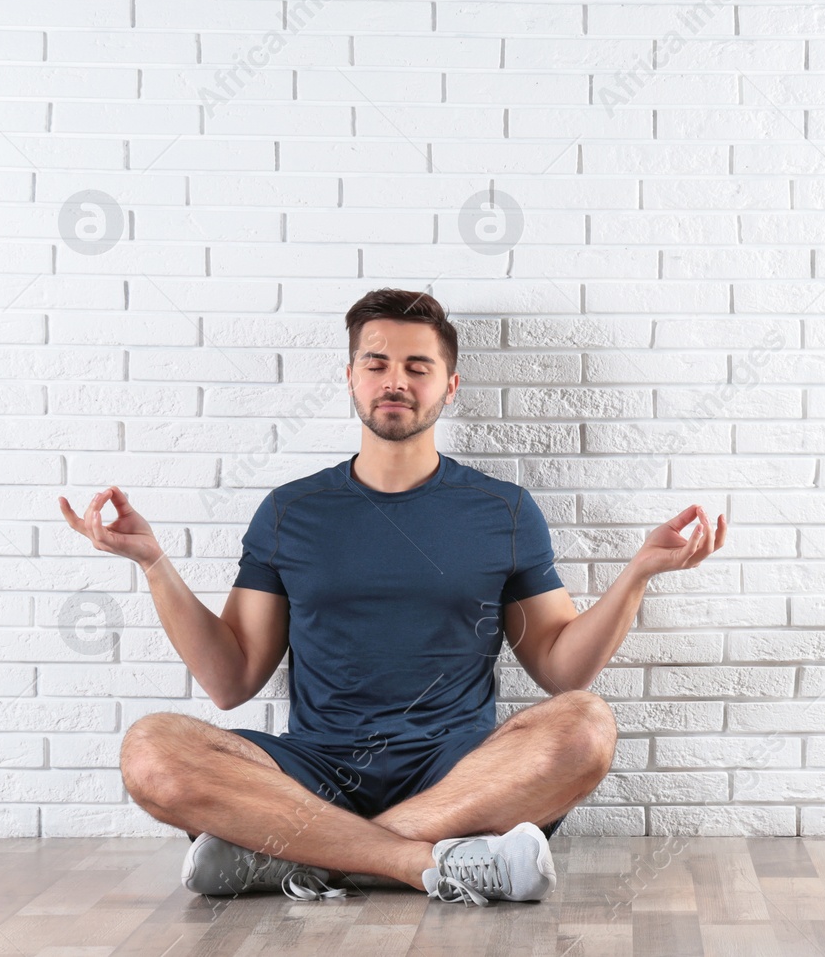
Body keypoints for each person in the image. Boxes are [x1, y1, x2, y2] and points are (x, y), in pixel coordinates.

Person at [57, 288, 727, 905]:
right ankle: (422, 862)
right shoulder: (290, 512)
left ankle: (307, 857)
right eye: (376, 363)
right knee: (148, 749)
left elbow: (561, 668)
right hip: (312, 769)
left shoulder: (505, 510)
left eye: (417, 365)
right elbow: (231, 678)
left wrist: (638, 572)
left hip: (459, 774)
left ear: (450, 385)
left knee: (587, 724)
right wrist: (153, 564)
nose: (396, 381)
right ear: (350, 377)